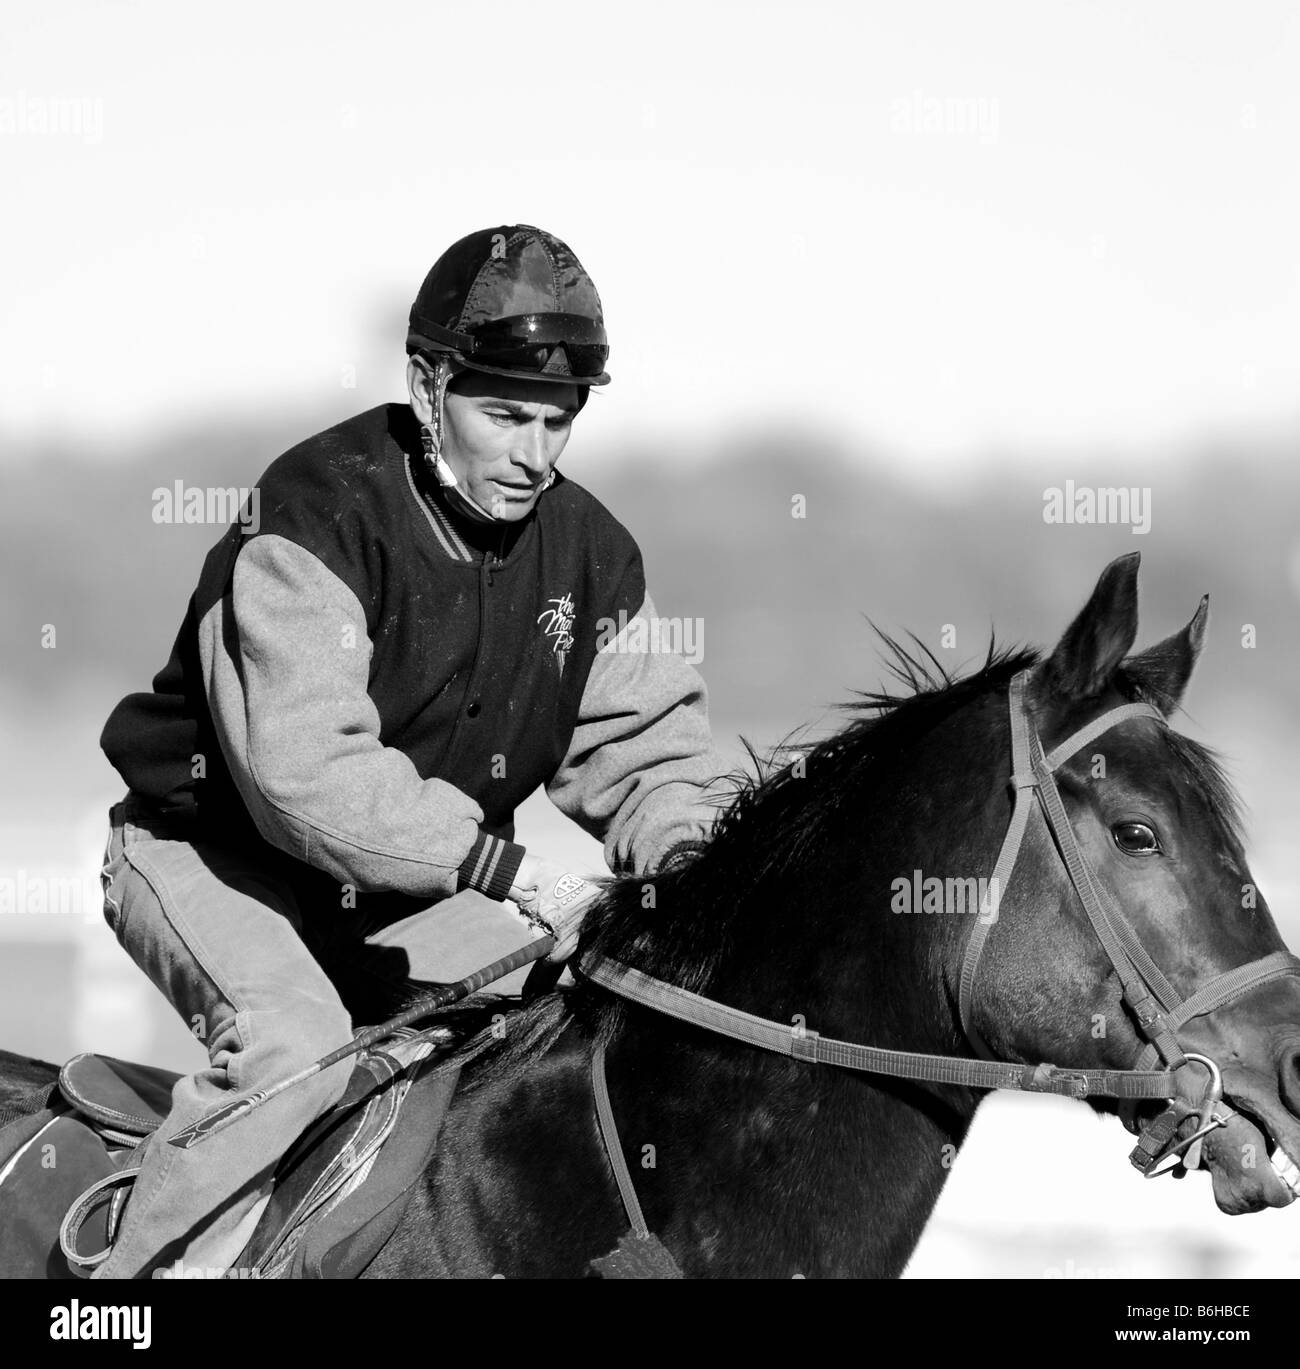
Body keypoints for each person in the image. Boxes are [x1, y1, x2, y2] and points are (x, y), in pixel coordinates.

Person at [93, 224, 728, 1278]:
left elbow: (649, 759)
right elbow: (309, 778)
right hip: (210, 861)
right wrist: (506, 870)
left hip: (405, 901)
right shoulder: (317, 513)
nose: (535, 452)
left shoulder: (592, 555)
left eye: (558, 419)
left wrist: (704, 879)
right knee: (293, 1053)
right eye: (505, 413)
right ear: (428, 383)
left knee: (566, 1029)